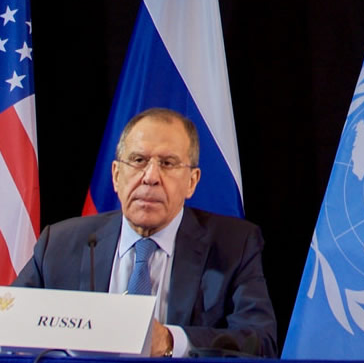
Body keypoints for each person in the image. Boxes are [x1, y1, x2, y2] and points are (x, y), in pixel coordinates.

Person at [14, 108, 276, 357]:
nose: (150, 177)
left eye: (168, 163)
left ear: (192, 182)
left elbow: (260, 342)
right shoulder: (59, 244)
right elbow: (10, 323)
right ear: (116, 175)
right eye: (138, 160)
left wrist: (170, 341)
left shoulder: (233, 246)